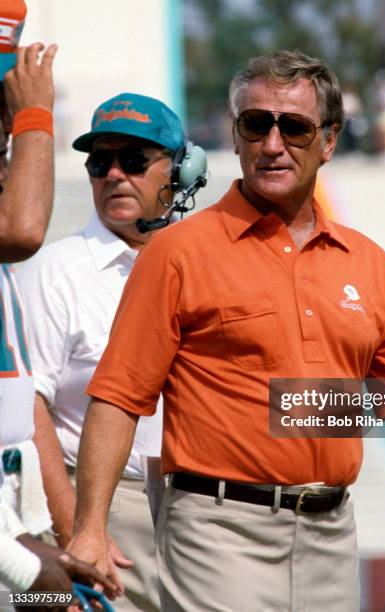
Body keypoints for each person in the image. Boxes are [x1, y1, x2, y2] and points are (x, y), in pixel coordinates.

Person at [67, 50, 385, 611]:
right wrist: (89, 527)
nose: (273, 144)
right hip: (216, 532)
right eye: (256, 125)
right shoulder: (176, 252)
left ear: (329, 141)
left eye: (295, 127)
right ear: (234, 137)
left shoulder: (369, 264)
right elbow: (117, 396)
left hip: (332, 535)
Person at [17, 92, 190, 611]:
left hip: (199, 511)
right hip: (94, 510)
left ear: (180, 171)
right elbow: (28, 407)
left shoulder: (208, 264)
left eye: (133, 160)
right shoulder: (51, 269)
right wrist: (77, 530)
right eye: (99, 162)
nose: (114, 175)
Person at [0, 0, 116, 603]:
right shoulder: (45, 262)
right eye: (101, 160)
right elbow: (20, 228)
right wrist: (34, 117)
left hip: (18, 515)